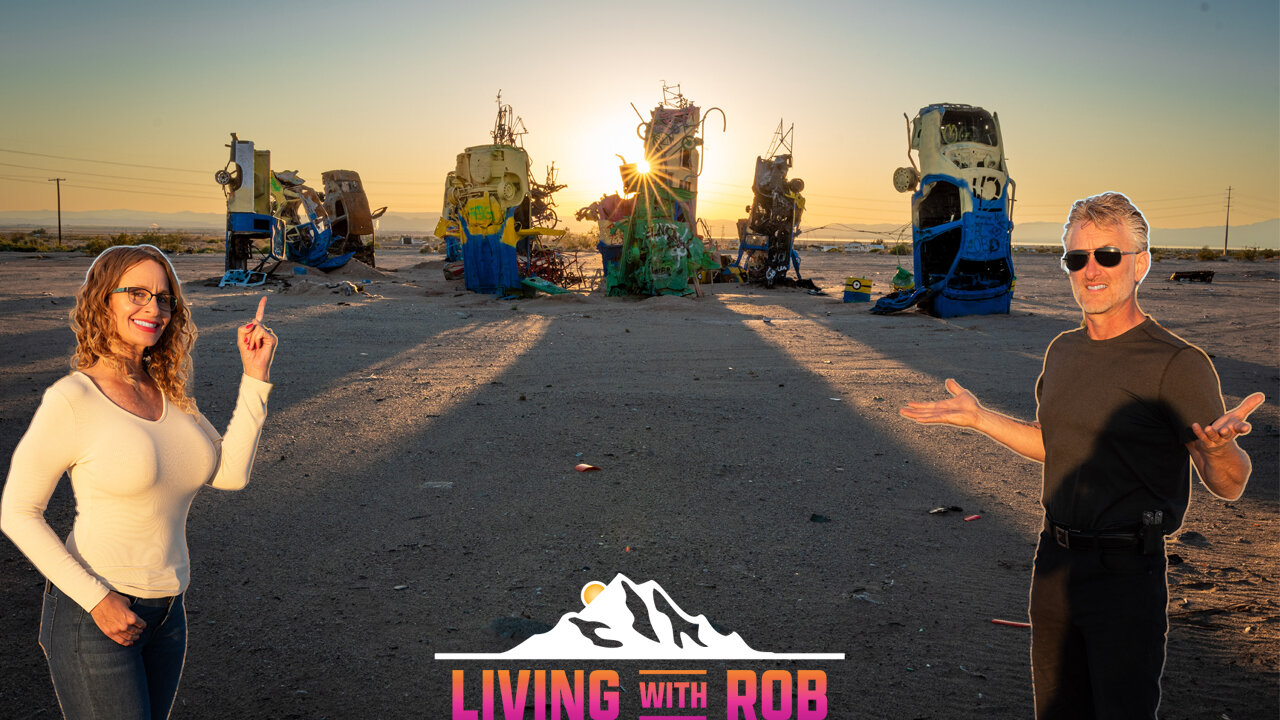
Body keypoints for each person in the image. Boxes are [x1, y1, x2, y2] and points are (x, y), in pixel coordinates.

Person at [899, 192, 1263, 719]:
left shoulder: (1178, 363)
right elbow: (1053, 445)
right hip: (1053, 563)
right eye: (1077, 257)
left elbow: (1230, 484)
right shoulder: (1062, 350)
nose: (1090, 270)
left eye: (1107, 255)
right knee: (1055, 709)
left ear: (1140, 264)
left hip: (1126, 573)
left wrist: (1221, 449)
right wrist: (981, 419)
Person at [1, 244, 278, 719]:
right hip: (96, 612)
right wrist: (97, 599)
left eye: (164, 297)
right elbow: (17, 512)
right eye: (137, 293)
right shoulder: (73, 398)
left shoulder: (172, 396)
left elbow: (230, 475)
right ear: (102, 300)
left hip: (169, 612)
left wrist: (255, 377)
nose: (154, 308)